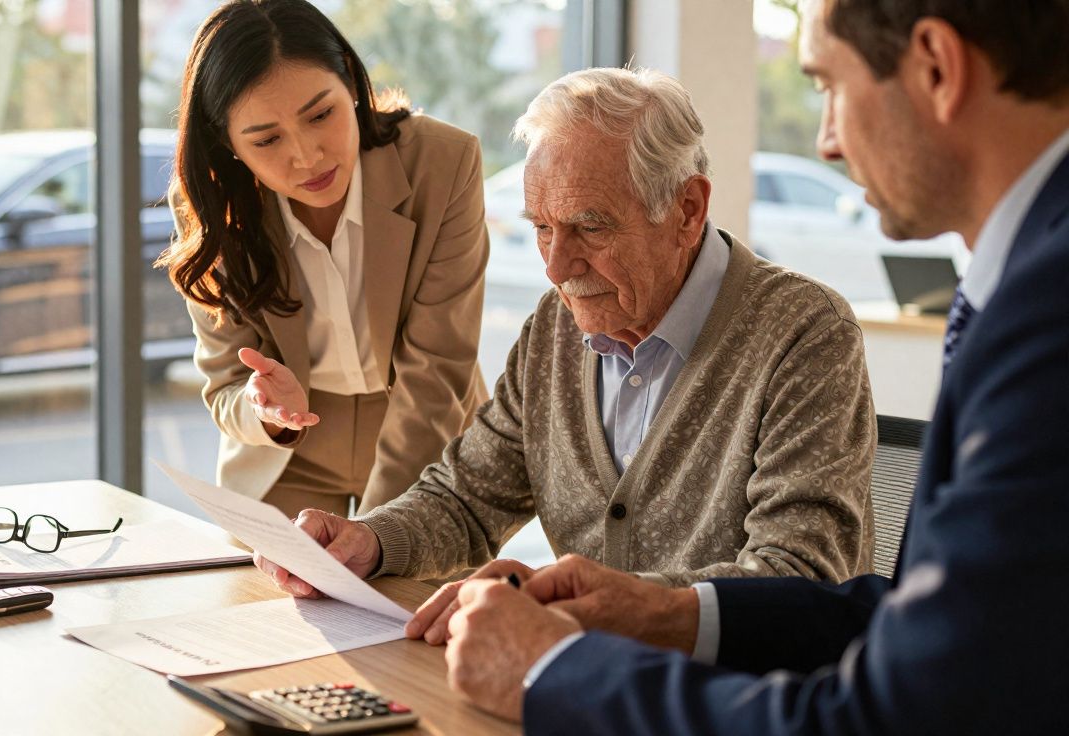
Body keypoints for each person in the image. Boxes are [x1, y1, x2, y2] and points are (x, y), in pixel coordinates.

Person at [442, 0, 1069, 732]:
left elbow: (897, 712)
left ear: (936, 65)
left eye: (827, 84)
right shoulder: (1024, 283)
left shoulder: (1045, 314)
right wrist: (665, 612)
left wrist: (554, 671)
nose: (826, 142)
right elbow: (933, 622)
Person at [256, 66, 877, 645]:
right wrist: (369, 540)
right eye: (541, 228)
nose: (556, 267)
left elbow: (800, 578)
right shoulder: (557, 326)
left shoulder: (804, 332)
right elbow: (469, 498)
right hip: (587, 687)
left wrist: (582, 606)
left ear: (688, 209)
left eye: (590, 226)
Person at [158, 0, 489, 518]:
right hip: (288, 454)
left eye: (321, 115)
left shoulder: (443, 162)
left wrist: (379, 538)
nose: (307, 155)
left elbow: (438, 372)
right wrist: (265, 408)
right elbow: (224, 384)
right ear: (228, 145)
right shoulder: (211, 203)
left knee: (414, 594)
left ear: (353, 89)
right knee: (272, 598)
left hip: (428, 433)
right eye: (266, 139)